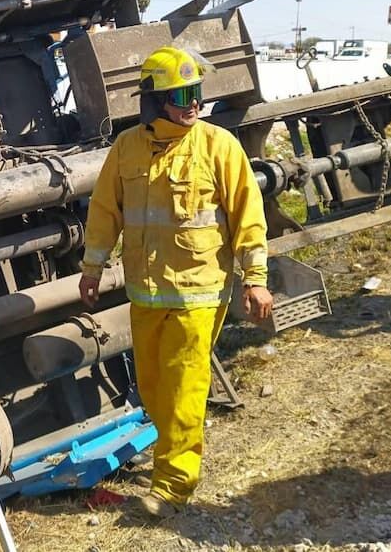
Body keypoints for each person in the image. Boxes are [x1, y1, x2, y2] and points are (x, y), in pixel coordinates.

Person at [78, 46, 273, 518]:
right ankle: (168, 456)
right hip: (144, 294)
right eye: (183, 94)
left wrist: (255, 278)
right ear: (154, 100)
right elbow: (105, 211)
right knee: (153, 387)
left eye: (198, 93)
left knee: (185, 386)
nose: (194, 103)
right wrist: (92, 267)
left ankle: (172, 486)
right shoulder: (126, 148)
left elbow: (248, 214)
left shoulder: (218, 145)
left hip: (198, 293)